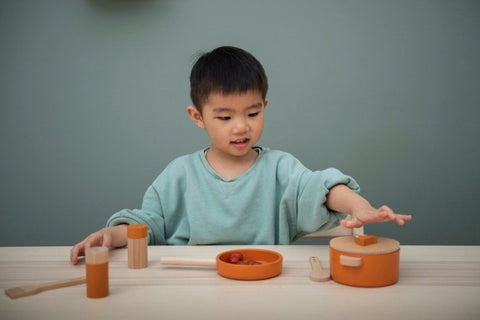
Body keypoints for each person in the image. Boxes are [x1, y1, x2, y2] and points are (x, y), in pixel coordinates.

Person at [70, 46, 411, 265]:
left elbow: (319, 187)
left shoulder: (280, 169)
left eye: (252, 113)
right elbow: (147, 224)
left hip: (267, 283)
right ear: (197, 117)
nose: (240, 128)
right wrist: (110, 235)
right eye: (224, 117)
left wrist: (357, 206)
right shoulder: (180, 174)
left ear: (265, 106)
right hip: (193, 285)